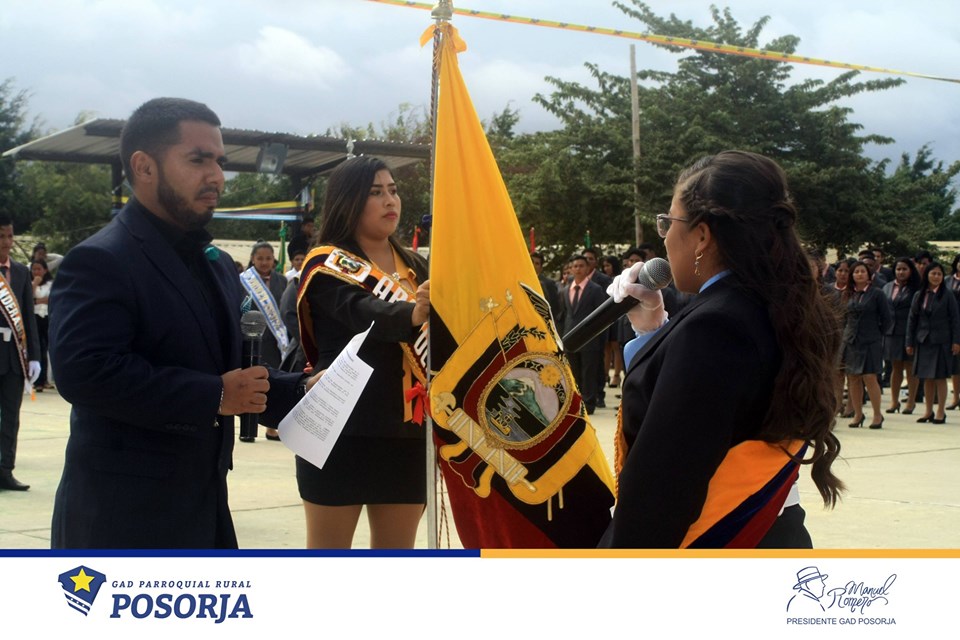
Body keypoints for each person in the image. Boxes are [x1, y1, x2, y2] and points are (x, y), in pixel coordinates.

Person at [48, 97, 311, 548]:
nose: (217, 176)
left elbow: (228, 367)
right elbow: (85, 372)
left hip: (205, 506)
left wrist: (302, 390)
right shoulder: (101, 259)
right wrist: (215, 395)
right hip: (120, 519)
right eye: (198, 159)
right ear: (144, 166)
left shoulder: (216, 263)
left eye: (220, 161)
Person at [602, 150, 843, 548]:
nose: (664, 236)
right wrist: (653, 331)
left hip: (719, 543)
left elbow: (660, 493)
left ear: (701, 235)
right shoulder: (773, 306)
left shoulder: (715, 328)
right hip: (769, 531)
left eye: (668, 222)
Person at [295, 155, 430, 549]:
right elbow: (362, 312)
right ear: (349, 201)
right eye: (375, 192)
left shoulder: (416, 266)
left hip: (407, 433)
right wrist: (414, 312)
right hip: (339, 430)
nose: (390, 200)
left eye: (393, 190)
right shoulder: (327, 264)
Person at [0, 217, 41, 491]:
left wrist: (34, 355)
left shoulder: (20, 272)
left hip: (14, 357)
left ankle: (5, 470)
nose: (6, 242)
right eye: (1, 236)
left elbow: (28, 316)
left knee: (11, 417)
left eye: (10, 236)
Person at [905, 261, 960, 424]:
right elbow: (912, 320)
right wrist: (909, 342)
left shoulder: (948, 295)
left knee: (940, 377)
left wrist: (956, 341)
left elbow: (955, 319)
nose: (936, 277)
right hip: (923, 340)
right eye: (933, 273)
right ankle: (928, 411)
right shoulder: (919, 295)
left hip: (942, 341)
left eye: (939, 274)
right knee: (926, 377)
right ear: (927, 275)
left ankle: (940, 411)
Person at [842, 261, 893, 429]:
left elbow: (887, 319)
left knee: (870, 377)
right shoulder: (848, 294)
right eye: (856, 272)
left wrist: (876, 334)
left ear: (869, 275)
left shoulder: (877, 293)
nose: (859, 274)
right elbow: (844, 318)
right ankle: (858, 413)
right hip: (852, 341)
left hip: (871, 341)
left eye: (862, 271)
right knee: (853, 378)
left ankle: (877, 414)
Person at [561, 254, 607, 414]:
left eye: (581, 266)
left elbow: (601, 315)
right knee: (573, 372)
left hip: (590, 338)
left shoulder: (595, 289)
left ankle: (588, 404)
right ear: (571, 269)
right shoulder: (565, 290)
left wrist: (600, 339)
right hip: (570, 337)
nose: (578, 269)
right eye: (575, 266)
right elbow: (564, 315)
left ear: (587, 268)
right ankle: (576, 402)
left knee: (589, 372)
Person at [883, 257, 921, 414]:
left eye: (904, 269)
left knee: (910, 367)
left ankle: (911, 401)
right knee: (895, 367)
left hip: (909, 332)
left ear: (911, 271)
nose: (901, 272)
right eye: (898, 269)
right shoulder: (887, 287)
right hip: (891, 333)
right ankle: (894, 401)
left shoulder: (917, 288)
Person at [31, 259, 53, 392]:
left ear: (45, 270)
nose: (36, 272)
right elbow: (28, 299)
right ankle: (38, 380)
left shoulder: (51, 284)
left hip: (47, 317)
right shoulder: (29, 283)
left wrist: (37, 300)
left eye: (39, 269)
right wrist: (35, 283)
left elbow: (52, 299)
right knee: (39, 348)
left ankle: (46, 379)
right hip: (35, 318)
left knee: (49, 347)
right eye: (34, 269)